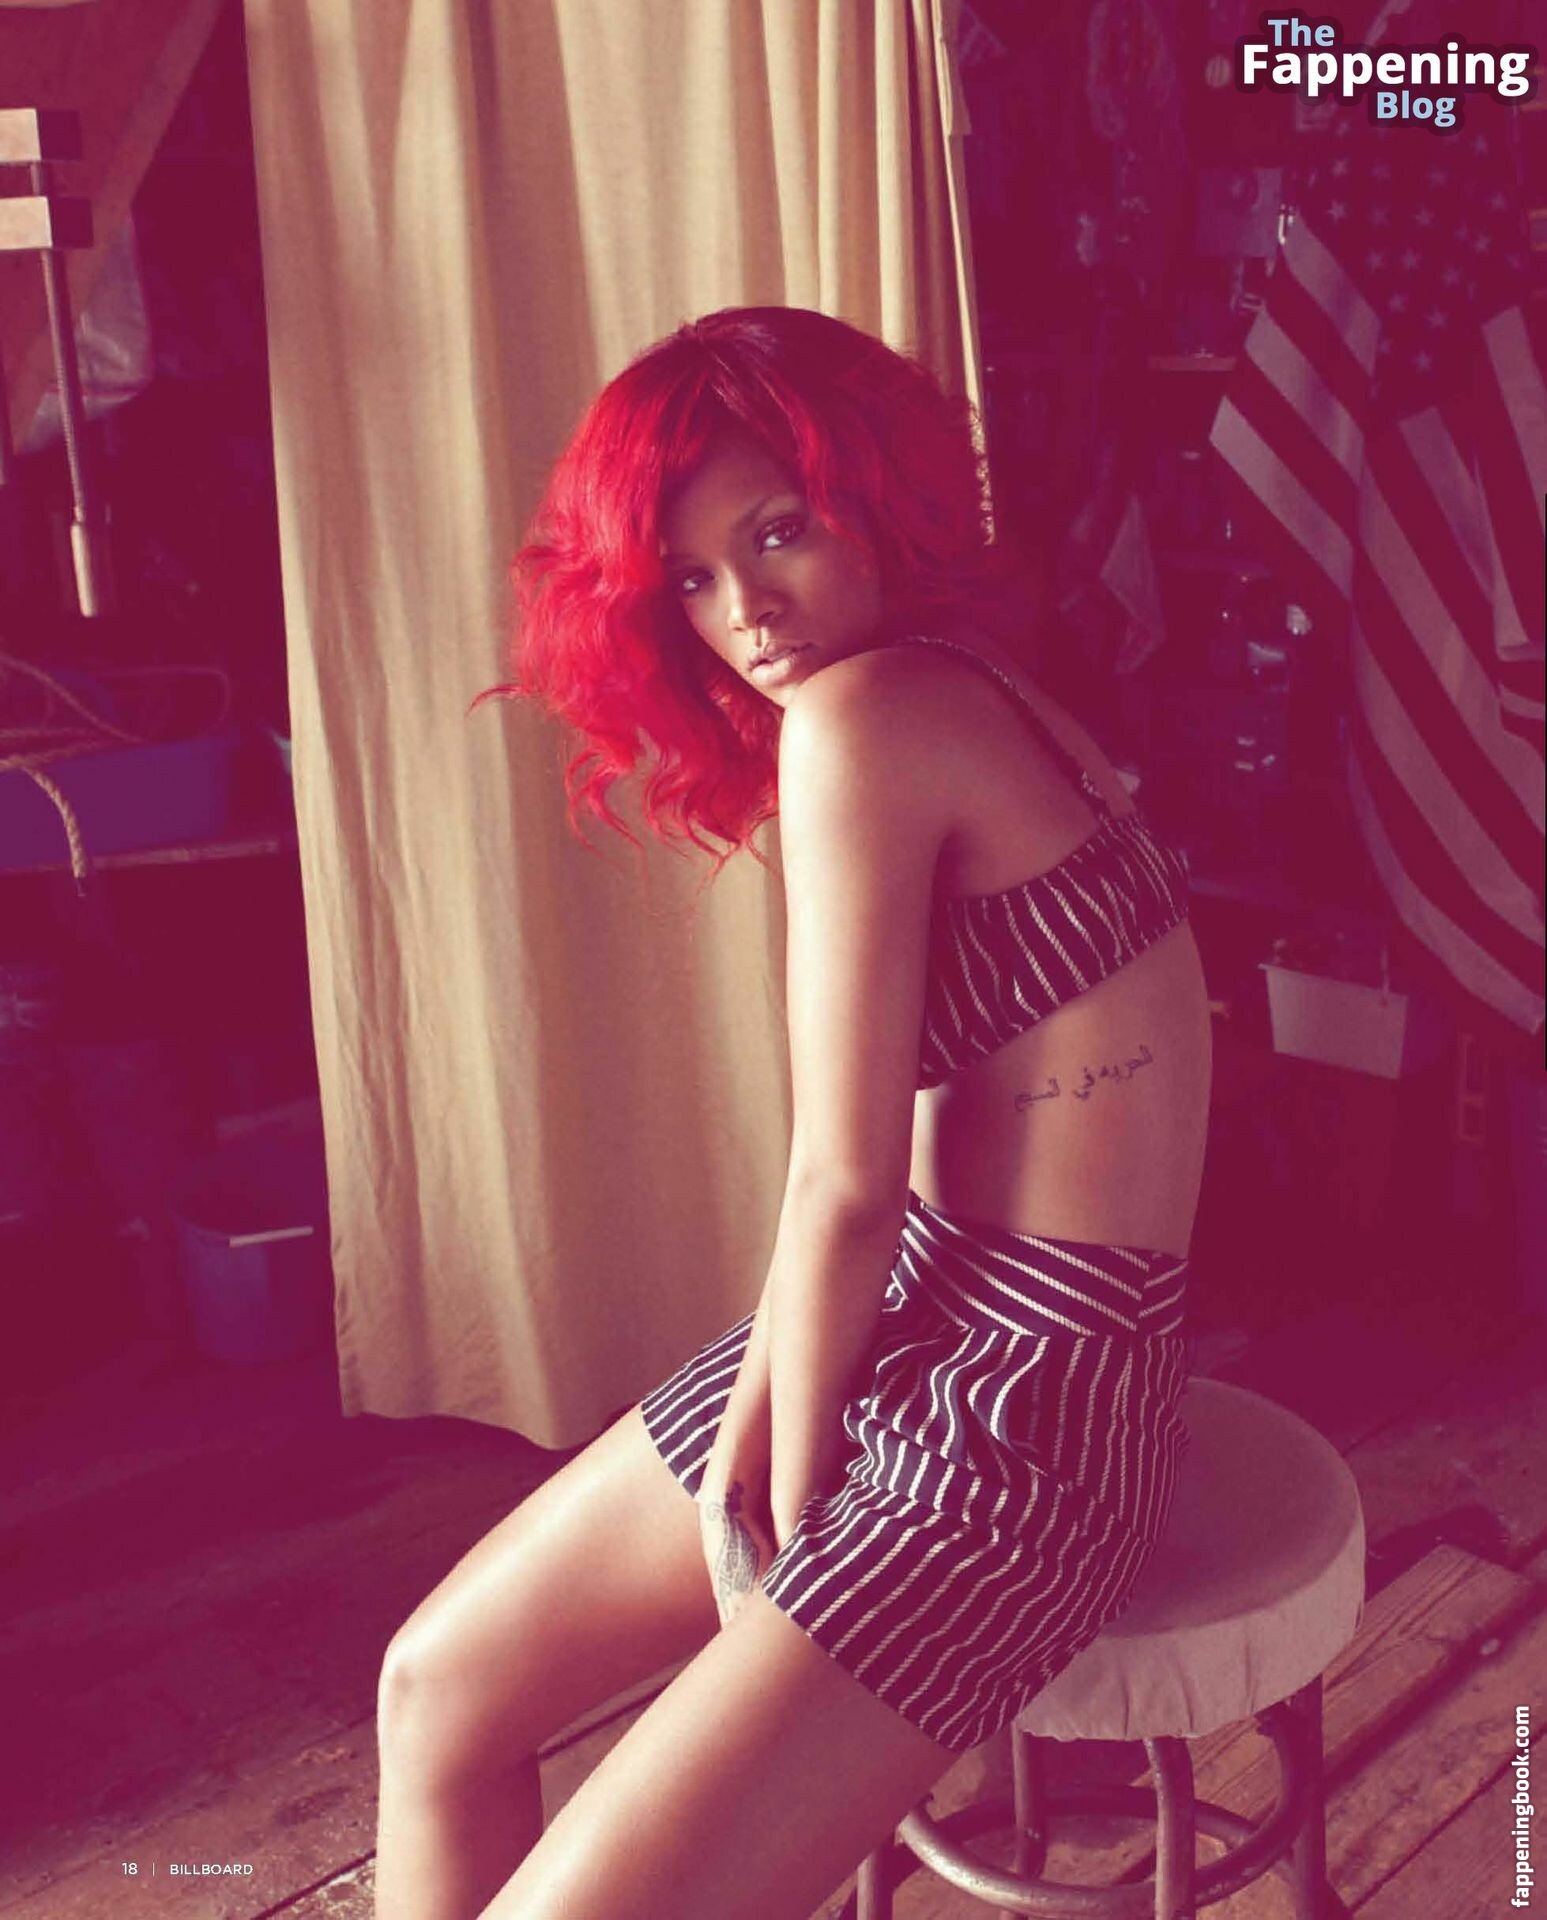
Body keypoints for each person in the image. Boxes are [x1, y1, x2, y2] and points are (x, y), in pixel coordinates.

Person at [372, 306, 1213, 1920]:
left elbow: (846, 1185)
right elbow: (862, 1207)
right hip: (927, 1311)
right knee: (435, 1688)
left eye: (777, 534)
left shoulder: (868, 717)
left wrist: (780, 1538)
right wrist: (759, 1418)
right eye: (690, 579)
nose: (744, 613)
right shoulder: (972, 685)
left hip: (1029, 1411)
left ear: (874, 496)